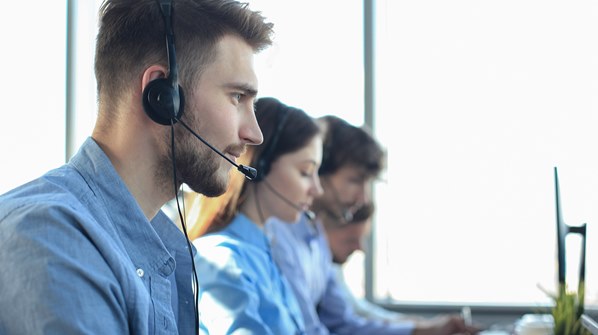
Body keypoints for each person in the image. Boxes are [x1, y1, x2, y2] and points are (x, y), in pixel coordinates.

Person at [0, 1, 273, 334]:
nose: (254, 134)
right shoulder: (51, 238)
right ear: (162, 95)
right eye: (237, 97)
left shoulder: (164, 249)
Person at [266, 115, 481, 335]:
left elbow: (345, 322)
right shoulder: (279, 235)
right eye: (355, 180)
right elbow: (307, 330)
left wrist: (425, 330)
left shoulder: (316, 238)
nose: (364, 197)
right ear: (320, 170)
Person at [189, 97, 323, 334]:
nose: (317, 189)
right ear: (260, 166)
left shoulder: (265, 255)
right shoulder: (223, 261)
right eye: (305, 172)